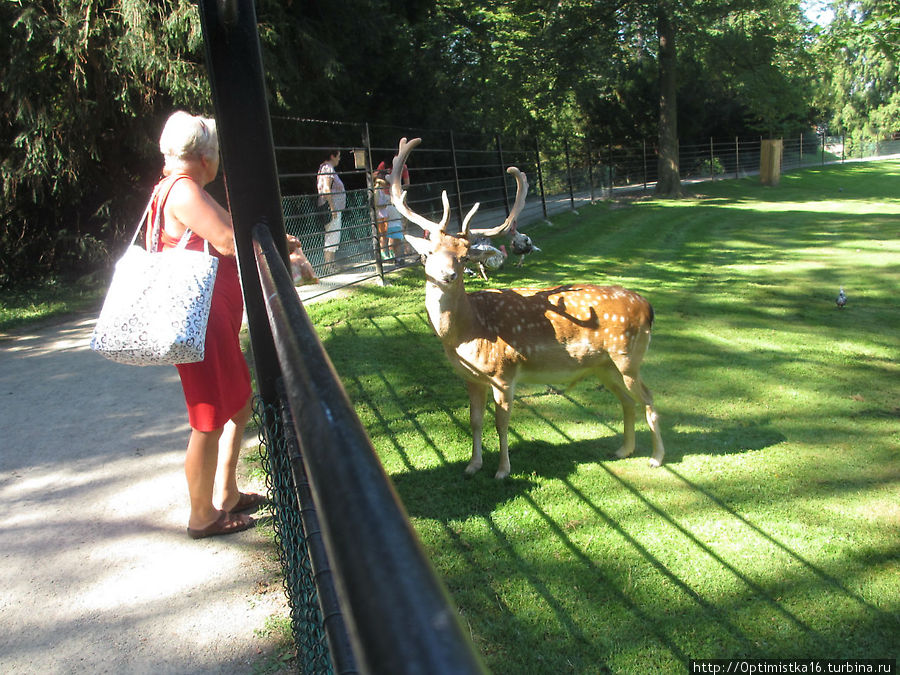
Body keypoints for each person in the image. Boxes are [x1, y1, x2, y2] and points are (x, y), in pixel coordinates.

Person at [152, 111, 264, 539]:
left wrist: (277, 242)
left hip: (211, 320)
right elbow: (225, 240)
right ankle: (201, 516)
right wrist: (270, 252)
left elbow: (230, 227)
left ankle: (227, 492)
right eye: (216, 153)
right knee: (207, 416)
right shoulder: (182, 190)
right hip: (199, 322)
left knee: (237, 402)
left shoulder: (186, 188)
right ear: (204, 156)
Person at [317, 149, 346, 265]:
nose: (339, 158)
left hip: (332, 207)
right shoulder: (327, 168)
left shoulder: (324, 168)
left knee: (333, 236)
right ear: (332, 156)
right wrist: (333, 208)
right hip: (331, 208)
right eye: (338, 156)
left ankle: (331, 264)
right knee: (331, 236)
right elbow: (326, 189)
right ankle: (328, 266)